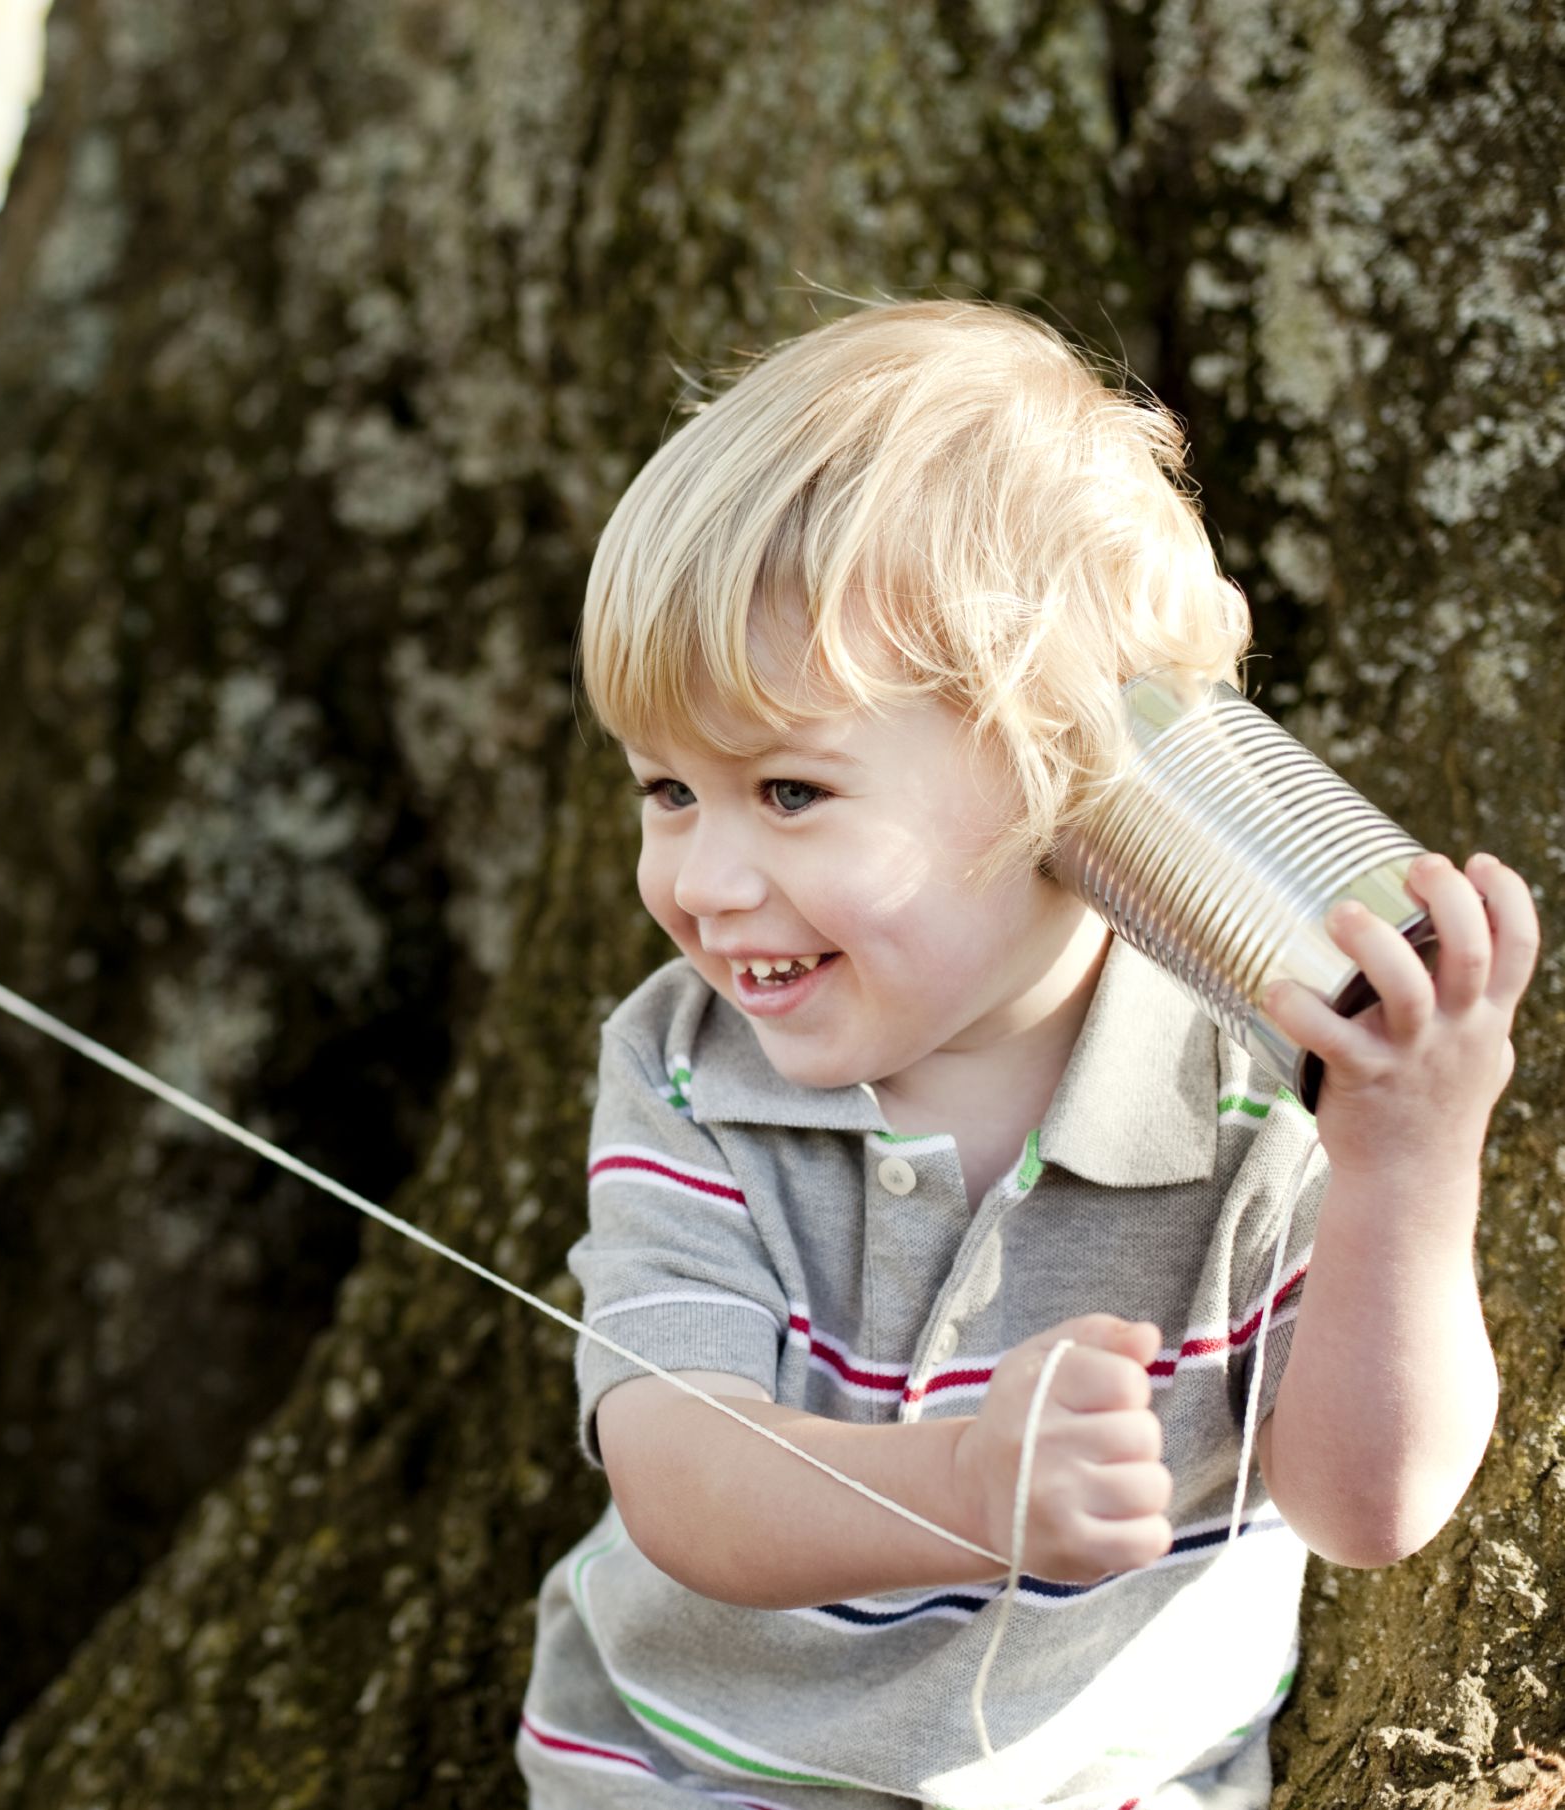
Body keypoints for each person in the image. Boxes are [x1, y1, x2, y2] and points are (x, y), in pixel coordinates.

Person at [513, 301, 1532, 1806]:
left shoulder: (1258, 1081)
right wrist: (966, 1489)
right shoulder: (687, 1067)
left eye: (790, 790)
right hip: (698, 1770)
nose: (704, 880)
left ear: (1067, 778)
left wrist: (1408, 1159)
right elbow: (679, 1468)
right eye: (669, 788)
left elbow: (1369, 1506)